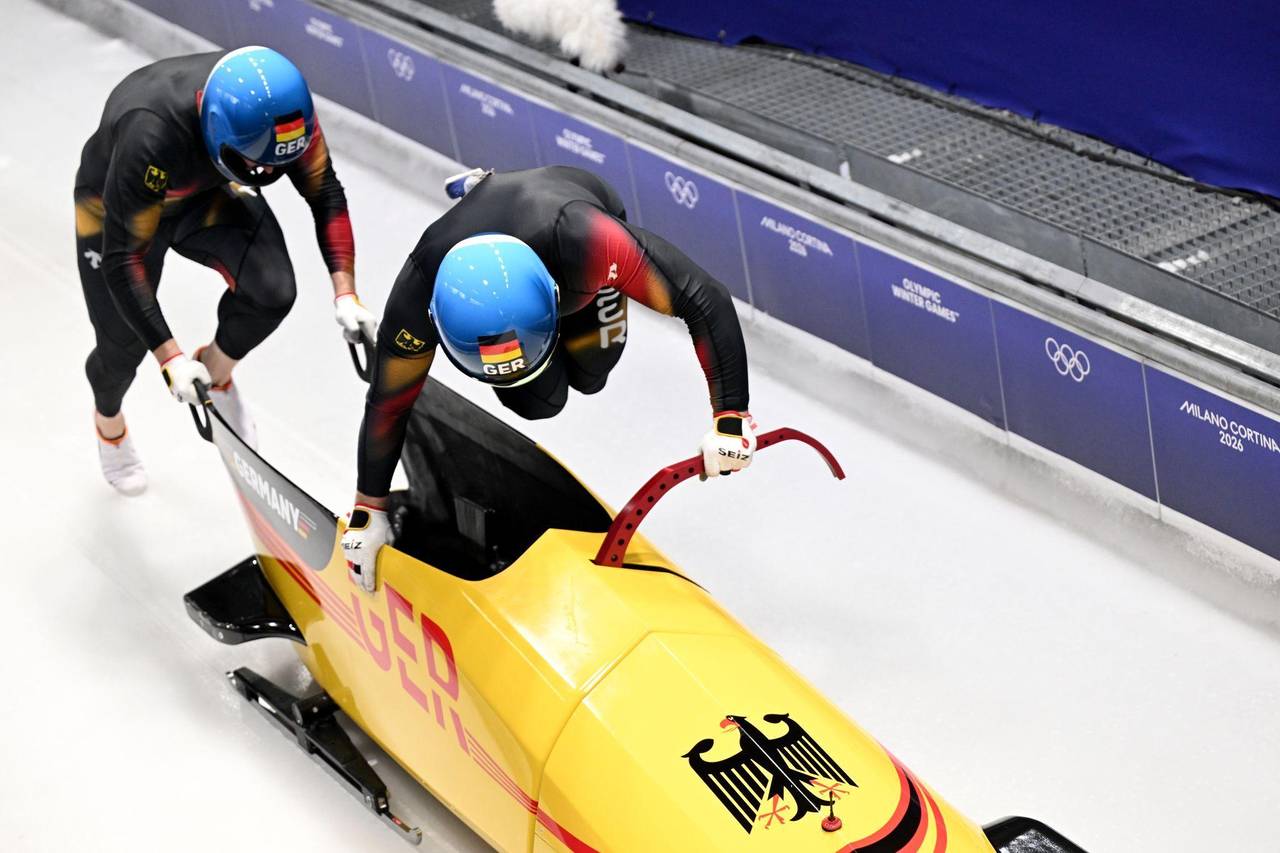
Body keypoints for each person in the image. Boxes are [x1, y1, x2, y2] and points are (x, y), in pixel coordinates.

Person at [341, 165, 754, 592]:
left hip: (577, 248)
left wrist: (731, 416)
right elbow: (389, 401)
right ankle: (484, 191)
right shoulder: (417, 295)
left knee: (593, 373)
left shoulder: (589, 242)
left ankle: (487, 189)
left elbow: (703, 297)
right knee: (537, 402)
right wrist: (368, 510)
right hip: (534, 278)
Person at [76, 46, 377, 495]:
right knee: (122, 347)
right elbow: (124, 260)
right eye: (259, 163)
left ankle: (215, 372)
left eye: (276, 163)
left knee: (272, 290)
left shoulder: (286, 116)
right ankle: (109, 425)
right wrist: (171, 360)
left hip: (206, 193)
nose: (269, 171)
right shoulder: (149, 132)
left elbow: (326, 194)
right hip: (117, 208)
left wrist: (346, 294)